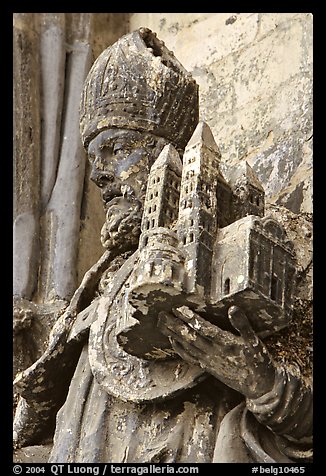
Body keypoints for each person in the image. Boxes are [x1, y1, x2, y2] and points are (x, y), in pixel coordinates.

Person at [13, 27, 312, 463]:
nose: (99, 174)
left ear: (167, 156)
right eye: (94, 157)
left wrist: (260, 382)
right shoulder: (93, 298)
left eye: (116, 149)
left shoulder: (253, 245)